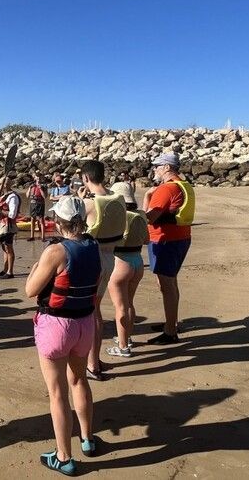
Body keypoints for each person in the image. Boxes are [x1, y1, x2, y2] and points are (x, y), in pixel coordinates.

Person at [25, 196, 100, 476]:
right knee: (79, 380)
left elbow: (30, 290)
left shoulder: (56, 251)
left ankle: (64, 456)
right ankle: (87, 439)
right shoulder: (93, 245)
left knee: (57, 393)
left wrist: (35, 267)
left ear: (58, 222)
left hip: (56, 325)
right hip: (84, 324)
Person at [78, 160, 127, 380]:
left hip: (92, 261)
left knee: (91, 312)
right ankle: (94, 360)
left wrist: (79, 200)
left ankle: (92, 364)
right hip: (110, 258)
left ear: (86, 178)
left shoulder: (89, 204)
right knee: (95, 310)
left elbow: (71, 227)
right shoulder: (119, 198)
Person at [143, 152, 195, 345]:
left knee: (167, 285)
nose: (154, 169)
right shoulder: (183, 185)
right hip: (180, 238)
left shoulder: (166, 189)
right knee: (170, 283)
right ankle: (171, 322)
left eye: (157, 166)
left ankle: (170, 331)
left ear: (166, 167)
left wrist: (147, 196)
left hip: (165, 241)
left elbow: (149, 217)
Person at [105, 182, 149, 357]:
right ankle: (127, 337)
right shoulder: (141, 215)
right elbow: (146, 240)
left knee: (120, 307)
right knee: (129, 303)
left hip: (120, 262)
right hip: (137, 261)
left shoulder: (119, 216)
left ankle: (123, 346)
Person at [0, 177, 20, 279]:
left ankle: (10, 272)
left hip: (8, 226)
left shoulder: (13, 197)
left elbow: (12, 214)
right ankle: (5, 270)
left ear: (4, 185)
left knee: (8, 248)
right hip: (2, 225)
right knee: (4, 248)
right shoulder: (4, 196)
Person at [26, 171, 48, 242]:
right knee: (32, 219)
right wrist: (29, 188)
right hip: (33, 203)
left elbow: (44, 196)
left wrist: (40, 188)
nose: (38, 178)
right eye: (36, 177)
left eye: (39, 177)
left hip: (40, 203)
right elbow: (27, 196)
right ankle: (32, 236)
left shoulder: (44, 186)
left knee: (41, 220)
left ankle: (43, 237)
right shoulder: (32, 185)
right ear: (34, 178)